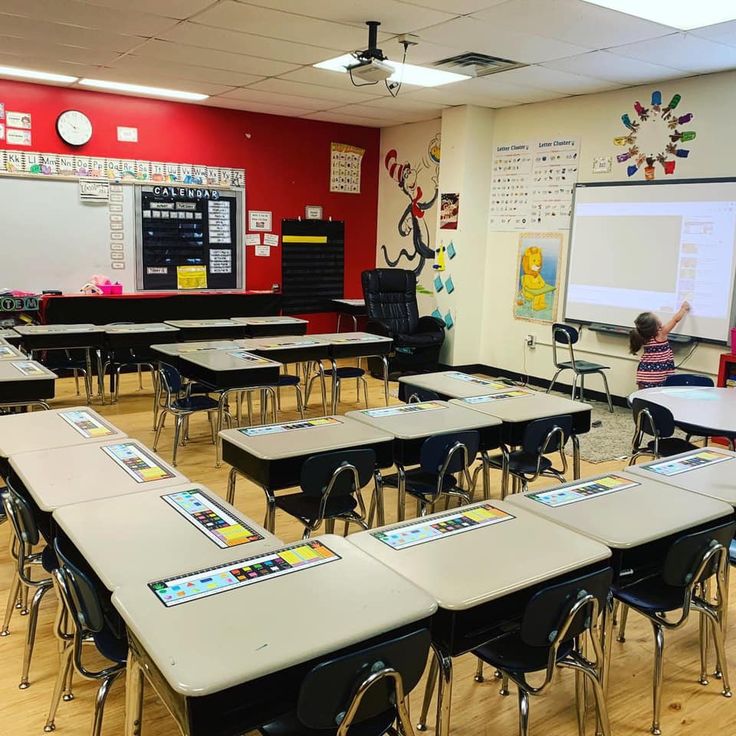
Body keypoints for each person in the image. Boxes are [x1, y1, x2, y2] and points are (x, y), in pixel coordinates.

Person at [629, 302, 690, 388]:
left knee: (643, 397)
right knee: (658, 397)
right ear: (657, 325)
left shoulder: (643, 336)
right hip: (659, 375)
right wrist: (683, 309)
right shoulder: (662, 333)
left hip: (644, 374)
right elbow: (675, 320)